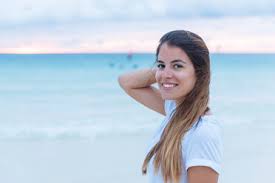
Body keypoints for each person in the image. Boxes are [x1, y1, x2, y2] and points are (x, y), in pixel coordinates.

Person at [118, 30, 223, 183]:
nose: (166, 73)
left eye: (178, 66)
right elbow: (126, 82)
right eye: (161, 64)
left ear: (200, 72)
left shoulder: (202, 133)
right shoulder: (175, 110)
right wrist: (163, 72)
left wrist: (166, 72)